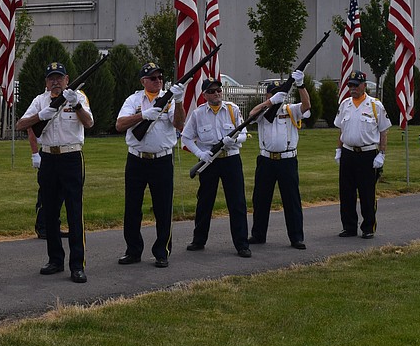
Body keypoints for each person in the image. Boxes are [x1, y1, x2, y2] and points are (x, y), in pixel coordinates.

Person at [16, 62, 94, 283]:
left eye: (59, 78)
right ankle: (55, 260)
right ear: (46, 82)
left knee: (74, 211)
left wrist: (76, 105)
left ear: (67, 80)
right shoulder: (40, 100)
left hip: (71, 156)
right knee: (50, 211)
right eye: (51, 78)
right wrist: (42, 115)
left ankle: (77, 264)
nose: (55, 82)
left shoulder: (78, 96)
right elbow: (21, 124)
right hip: (49, 157)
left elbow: (89, 123)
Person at [115, 62, 186, 267]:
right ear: (143, 81)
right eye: (153, 78)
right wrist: (143, 115)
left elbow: (179, 124)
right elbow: (120, 124)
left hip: (162, 160)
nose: (157, 81)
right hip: (136, 159)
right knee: (132, 207)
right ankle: (133, 250)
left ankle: (162, 251)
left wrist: (179, 101)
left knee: (163, 208)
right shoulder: (134, 99)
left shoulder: (170, 101)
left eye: (160, 77)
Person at [181, 77, 251, 257]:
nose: (216, 94)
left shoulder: (232, 109)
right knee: (205, 202)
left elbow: (244, 133)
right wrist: (200, 154)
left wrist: (233, 139)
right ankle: (199, 240)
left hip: (231, 159)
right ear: (204, 95)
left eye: (218, 90)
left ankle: (242, 244)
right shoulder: (198, 114)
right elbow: (186, 138)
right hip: (210, 161)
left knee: (236, 203)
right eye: (212, 91)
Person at [247, 73, 310, 250]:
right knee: (260, 199)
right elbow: (251, 115)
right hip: (266, 160)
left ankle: (296, 237)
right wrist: (270, 102)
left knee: (291, 200)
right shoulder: (264, 109)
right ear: (267, 95)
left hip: (287, 161)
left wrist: (301, 85)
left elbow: (306, 106)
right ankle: (258, 234)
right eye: (272, 93)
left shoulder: (291, 109)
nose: (275, 95)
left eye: (279, 92)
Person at [334, 71, 391, 238]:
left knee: (367, 193)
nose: (353, 88)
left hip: (367, 154)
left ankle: (368, 227)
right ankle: (349, 227)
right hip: (348, 153)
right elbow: (341, 129)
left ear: (364, 85)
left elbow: (383, 131)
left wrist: (381, 154)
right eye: (350, 85)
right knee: (346, 192)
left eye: (356, 85)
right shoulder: (345, 104)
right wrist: (338, 149)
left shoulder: (374, 105)